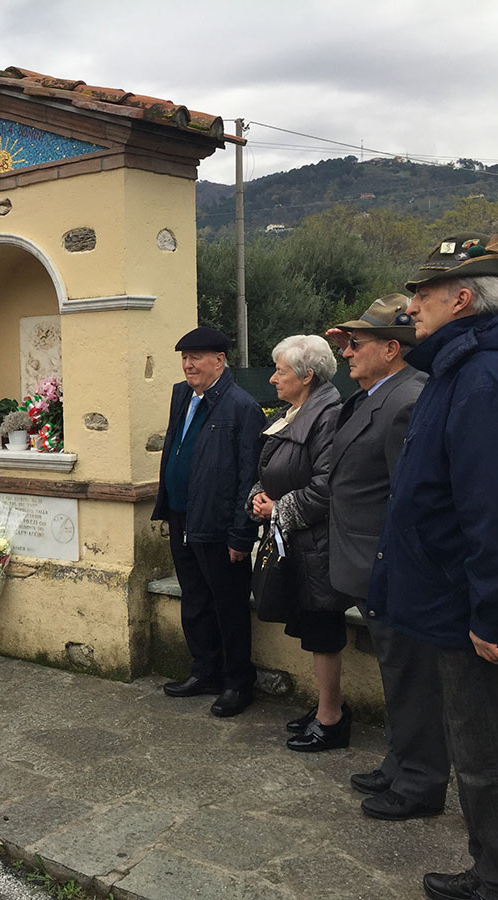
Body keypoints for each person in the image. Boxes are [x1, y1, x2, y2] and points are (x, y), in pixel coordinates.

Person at [370, 233, 498, 900]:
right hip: (452, 596)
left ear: (460, 298)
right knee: (480, 742)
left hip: (467, 605)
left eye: (421, 294)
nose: (410, 307)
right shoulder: (463, 367)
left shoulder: (487, 374)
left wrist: (491, 613)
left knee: (487, 746)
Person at [325, 297, 444, 820]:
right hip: (371, 567)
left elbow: (406, 499)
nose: (347, 353)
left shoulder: (406, 400)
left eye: (358, 344)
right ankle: (400, 763)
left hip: (390, 568)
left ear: (393, 349)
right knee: (397, 673)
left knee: (411, 676)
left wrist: (389, 565)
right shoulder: (378, 395)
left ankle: (420, 782)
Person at [152, 327, 266, 717]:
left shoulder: (241, 407)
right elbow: (176, 450)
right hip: (183, 516)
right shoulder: (183, 396)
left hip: (218, 524)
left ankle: (238, 682)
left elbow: (248, 476)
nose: (188, 364)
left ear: (219, 360)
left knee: (228, 606)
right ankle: (205, 671)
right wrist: (168, 507)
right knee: (195, 599)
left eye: (197, 357)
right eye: (184, 357)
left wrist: (241, 533)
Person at [248, 335, 348, 749]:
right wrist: (257, 494)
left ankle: (332, 718)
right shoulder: (298, 411)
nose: (272, 379)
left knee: (323, 627)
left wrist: (278, 509)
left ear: (306, 377)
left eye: (281, 371)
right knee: (312, 626)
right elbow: (275, 468)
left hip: (318, 544)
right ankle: (328, 707)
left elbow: (328, 487)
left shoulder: (329, 415)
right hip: (301, 541)